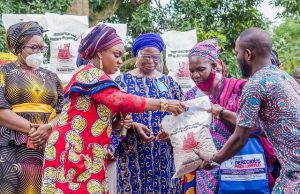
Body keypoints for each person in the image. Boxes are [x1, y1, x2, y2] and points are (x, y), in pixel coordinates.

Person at [41, 24, 185, 194]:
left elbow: (96, 115)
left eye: (121, 56)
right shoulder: (89, 73)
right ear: (100, 52)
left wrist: (116, 123)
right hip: (74, 150)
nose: (120, 61)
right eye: (116, 55)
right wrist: (164, 103)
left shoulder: (101, 78)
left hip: (88, 150)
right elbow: (119, 100)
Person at [198, 28, 300, 193]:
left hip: (294, 177)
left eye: (237, 53)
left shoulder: (255, 85)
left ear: (248, 54)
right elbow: (262, 125)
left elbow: (240, 138)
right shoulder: (284, 77)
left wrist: (213, 160)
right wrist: (223, 113)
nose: (236, 58)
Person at [182, 39, 276, 193]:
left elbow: (258, 126)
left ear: (213, 66)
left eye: (200, 69)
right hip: (205, 169)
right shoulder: (190, 96)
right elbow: (186, 131)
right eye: (191, 71)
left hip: (237, 165)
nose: (195, 75)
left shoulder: (238, 89)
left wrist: (223, 113)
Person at [109, 33, 183, 193]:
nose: (151, 61)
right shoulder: (121, 82)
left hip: (164, 154)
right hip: (132, 153)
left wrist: (172, 130)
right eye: (146, 56)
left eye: (155, 57)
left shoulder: (170, 83)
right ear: (137, 54)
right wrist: (133, 125)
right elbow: (111, 116)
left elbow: (182, 114)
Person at [0, 21, 64, 194]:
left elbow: (64, 112)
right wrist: (34, 130)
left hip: (44, 149)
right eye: (33, 47)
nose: (38, 52)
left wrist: (49, 127)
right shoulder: (3, 72)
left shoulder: (52, 77)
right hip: (11, 149)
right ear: (17, 47)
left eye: (42, 48)